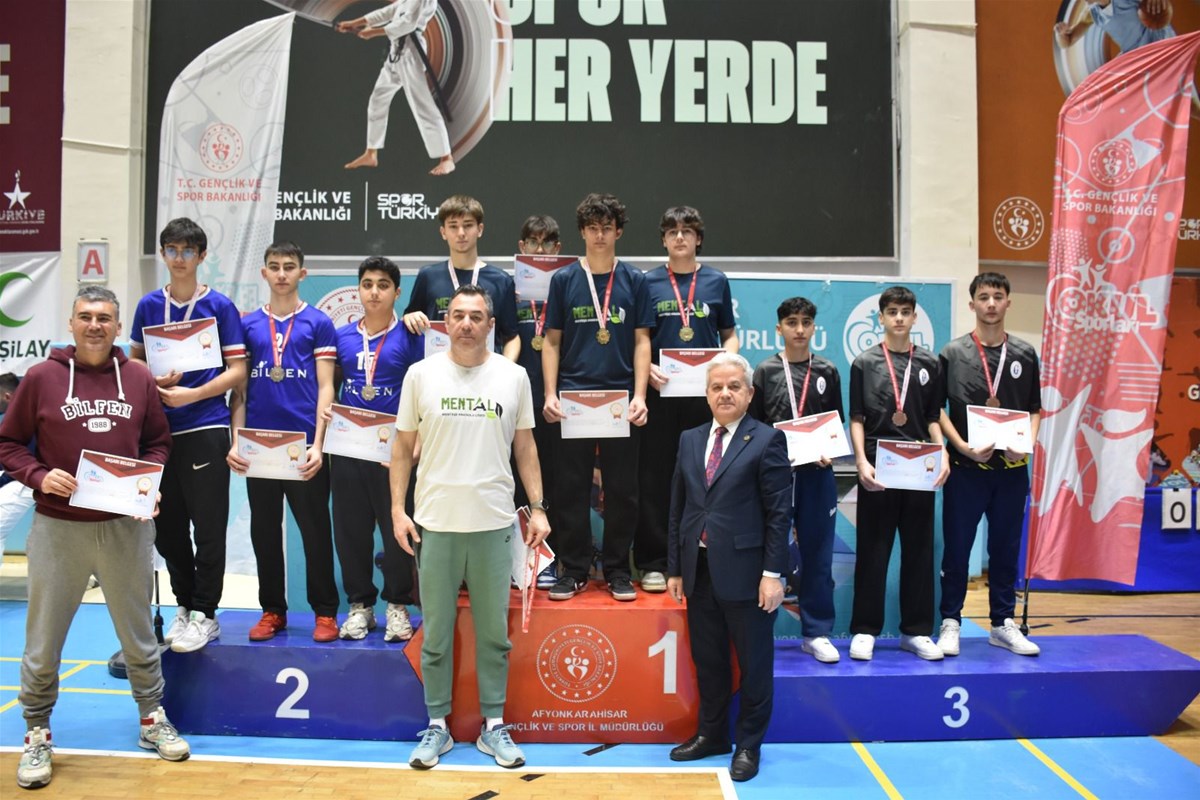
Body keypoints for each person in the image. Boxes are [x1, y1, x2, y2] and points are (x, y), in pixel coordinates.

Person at [0, 286, 190, 790]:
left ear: (117, 326)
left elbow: (157, 443)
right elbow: (8, 442)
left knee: (139, 634)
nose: (94, 325)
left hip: (124, 527)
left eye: (104, 318)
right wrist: (39, 475)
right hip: (58, 528)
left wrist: (148, 484)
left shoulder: (139, 377)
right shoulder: (41, 378)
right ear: (71, 322)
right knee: (43, 639)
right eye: (85, 316)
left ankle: (151, 718)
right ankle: (37, 731)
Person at [390, 285, 550, 770]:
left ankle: (493, 726)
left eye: (476, 316)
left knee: (494, 635)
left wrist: (538, 508)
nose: (465, 324)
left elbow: (526, 447)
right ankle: (437, 727)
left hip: (493, 523)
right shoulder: (420, 374)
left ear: (490, 325)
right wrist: (397, 509)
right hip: (435, 523)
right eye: (457, 315)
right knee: (436, 634)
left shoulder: (513, 376)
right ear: (446, 323)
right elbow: (402, 448)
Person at [666, 352, 791, 783]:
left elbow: (779, 514)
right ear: (706, 394)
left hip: (749, 575)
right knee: (710, 661)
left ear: (749, 393)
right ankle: (712, 735)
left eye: (734, 386)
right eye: (716, 387)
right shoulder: (690, 439)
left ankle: (749, 745)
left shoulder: (767, 440)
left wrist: (773, 574)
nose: (725, 393)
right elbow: (678, 508)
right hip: (698, 571)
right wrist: (675, 568)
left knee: (754, 666)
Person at [130, 217, 247, 654]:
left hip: (206, 425)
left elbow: (238, 371)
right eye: (171, 250)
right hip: (157, 433)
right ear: (163, 254)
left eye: (187, 251)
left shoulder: (219, 306)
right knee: (169, 529)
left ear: (201, 257)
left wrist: (192, 393)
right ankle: (183, 606)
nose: (179, 259)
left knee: (209, 526)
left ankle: (205, 614)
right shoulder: (148, 306)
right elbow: (134, 362)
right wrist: (154, 380)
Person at [227, 242, 341, 643]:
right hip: (259, 447)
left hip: (303, 446)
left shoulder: (318, 323)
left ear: (301, 274)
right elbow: (240, 389)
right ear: (263, 273)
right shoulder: (247, 325)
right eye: (273, 266)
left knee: (315, 532)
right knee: (264, 533)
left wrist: (319, 445)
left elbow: (326, 387)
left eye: (289, 266)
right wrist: (236, 441)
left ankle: (325, 613)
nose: (281, 273)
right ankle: (272, 610)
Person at [542, 192, 653, 602]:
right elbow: (551, 341)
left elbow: (642, 341)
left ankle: (618, 570)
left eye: (607, 228)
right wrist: (550, 393)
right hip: (574, 399)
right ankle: (573, 569)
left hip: (620, 400)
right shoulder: (564, 280)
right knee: (570, 488)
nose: (600, 235)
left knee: (622, 490)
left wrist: (640, 395)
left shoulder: (635, 280)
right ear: (583, 232)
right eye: (593, 228)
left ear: (618, 232)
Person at [936, 273, 1042, 657]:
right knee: (957, 550)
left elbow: (1035, 409)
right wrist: (961, 446)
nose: (991, 303)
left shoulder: (1025, 354)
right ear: (973, 304)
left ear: (1008, 302)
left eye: (998, 296)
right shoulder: (953, 353)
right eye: (984, 297)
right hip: (966, 472)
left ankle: (1002, 623)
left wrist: (1025, 444)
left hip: (1011, 473)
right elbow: (937, 410)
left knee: (1005, 549)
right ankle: (951, 622)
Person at [636, 206, 737, 594]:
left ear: (699, 239)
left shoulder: (716, 280)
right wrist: (647, 369)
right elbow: (639, 337)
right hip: (661, 394)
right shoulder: (647, 282)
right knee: (655, 478)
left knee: (702, 478)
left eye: (687, 231)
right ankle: (653, 563)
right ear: (663, 239)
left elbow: (729, 335)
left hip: (703, 398)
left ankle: (700, 559)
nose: (680, 237)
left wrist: (725, 364)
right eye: (672, 231)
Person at [848, 286, 949, 662]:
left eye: (906, 312)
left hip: (920, 466)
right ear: (881, 318)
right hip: (880, 467)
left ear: (915, 317)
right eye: (892, 312)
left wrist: (943, 453)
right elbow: (856, 418)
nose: (899, 318)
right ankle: (865, 630)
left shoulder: (930, 363)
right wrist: (861, 461)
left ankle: (917, 631)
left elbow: (933, 417)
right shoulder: (864, 362)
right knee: (873, 550)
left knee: (919, 551)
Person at [330, 256, 423, 642]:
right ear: (358, 290)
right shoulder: (341, 337)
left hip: (393, 455)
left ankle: (398, 605)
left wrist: (417, 446)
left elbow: (423, 394)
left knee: (396, 529)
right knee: (350, 531)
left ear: (396, 292)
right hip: (348, 449)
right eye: (367, 284)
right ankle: (359, 606)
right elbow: (329, 386)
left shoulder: (411, 336)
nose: (374, 292)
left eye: (383, 285)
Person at [749, 297, 845, 664]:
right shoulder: (766, 371)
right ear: (779, 329)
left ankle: (816, 632)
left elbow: (835, 422)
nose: (799, 329)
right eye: (792, 322)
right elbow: (755, 428)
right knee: (768, 554)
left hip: (817, 474)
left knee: (818, 553)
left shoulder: (827, 371)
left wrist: (829, 451)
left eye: (806, 322)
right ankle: (759, 632)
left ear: (814, 327)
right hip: (776, 477)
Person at [337, 0, 455, 175]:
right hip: (396, 53)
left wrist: (374, 32)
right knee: (377, 99)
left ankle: (447, 158)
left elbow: (408, 23)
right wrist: (354, 23)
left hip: (411, 53)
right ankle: (371, 153)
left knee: (421, 105)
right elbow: (389, 11)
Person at [401, 195, 520, 361]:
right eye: (453, 226)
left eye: (468, 225)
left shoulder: (501, 280)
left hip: (486, 372)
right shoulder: (428, 276)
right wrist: (409, 317)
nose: (461, 233)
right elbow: (409, 319)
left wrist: (504, 370)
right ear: (443, 232)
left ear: (480, 229)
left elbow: (512, 337)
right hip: (440, 371)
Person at [515, 214, 563, 589]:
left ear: (558, 249)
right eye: (533, 242)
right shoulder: (507, 289)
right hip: (515, 402)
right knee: (517, 485)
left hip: (557, 403)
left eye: (547, 243)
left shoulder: (569, 286)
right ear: (522, 247)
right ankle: (521, 561)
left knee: (558, 482)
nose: (540, 249)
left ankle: (550, 561)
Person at [0, 373, 36, 563]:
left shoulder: (29, 415)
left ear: (7, 396)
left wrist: (3, 479)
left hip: (32, 479)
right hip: (20, 478)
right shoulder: (12, 418)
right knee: (40, 539)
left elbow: (23, 461)